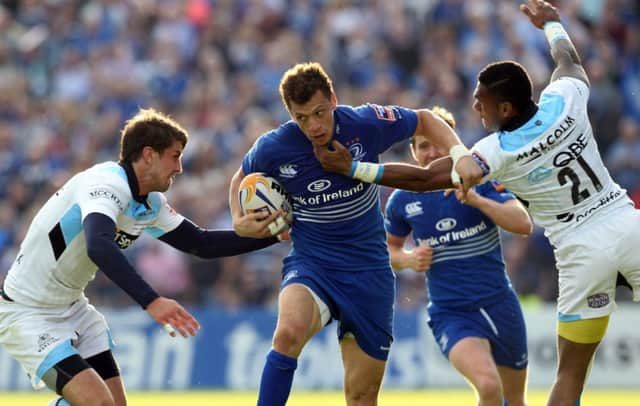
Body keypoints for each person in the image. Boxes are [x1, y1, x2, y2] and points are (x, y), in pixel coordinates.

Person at [314, 1, 640, 405]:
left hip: (581, 253)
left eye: (480, 101)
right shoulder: (566, 97)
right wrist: (553, 24)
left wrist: (356, 169)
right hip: (627, 227)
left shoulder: (495, 150)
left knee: (571, 375)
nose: (474, 108)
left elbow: (425, 178)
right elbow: (568, 60)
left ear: (504, 108)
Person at [228, 61, 482, 406]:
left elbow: (425, 118)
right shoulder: (274, 147)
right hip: (313, 264)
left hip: (369, 272)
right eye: (302, 118)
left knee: (361, 397)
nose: (314, 126)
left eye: (320, 112)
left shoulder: (364, 123)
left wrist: (461, 153)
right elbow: (240, 178)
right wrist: (239, 218)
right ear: (290, 114)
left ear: (333, 99)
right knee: (287, 334)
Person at [0, 108, 284, 406]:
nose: (179, 168)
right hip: (27, 313)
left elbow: (201, 244)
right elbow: (99, 244)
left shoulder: (150, 203)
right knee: (99, 404)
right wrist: (152, 300)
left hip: (72, 307)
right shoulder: (106, 184)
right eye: (174, 156)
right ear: (149, 154)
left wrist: (273, 235)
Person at [385, 106, 531, 406]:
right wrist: (409, 259)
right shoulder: (403, 199)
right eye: (423, 146)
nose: (432, 152)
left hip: (501, 304)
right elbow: (389, 251)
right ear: (414, 152)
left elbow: (523, 224)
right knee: (489, 387)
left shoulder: (480, 179)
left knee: (514, 400)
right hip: (451, 313)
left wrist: (477, 201)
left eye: (438, 143)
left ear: (453, 144)